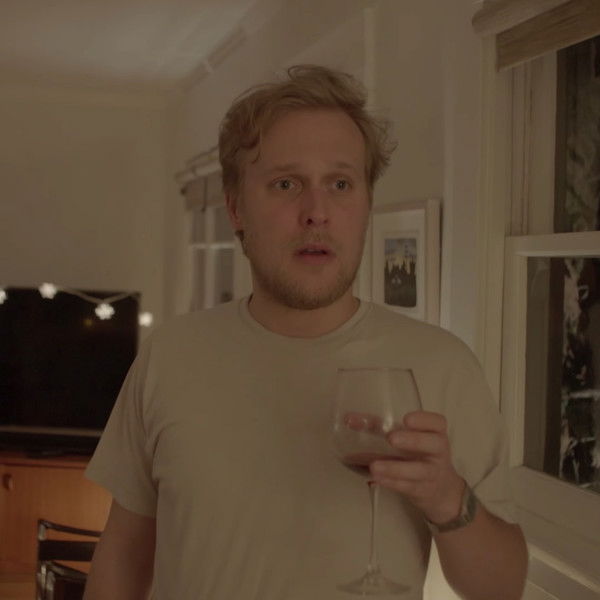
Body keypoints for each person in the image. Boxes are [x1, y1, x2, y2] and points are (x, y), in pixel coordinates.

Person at [83, 65, 528, 600]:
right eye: (286, 184)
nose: (317, 213)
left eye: (340, 184)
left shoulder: (442, 366)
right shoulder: (170, 357)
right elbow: (122, 558)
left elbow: (501, 588)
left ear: (365, 204)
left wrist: (448, 498)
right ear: (235, 208)